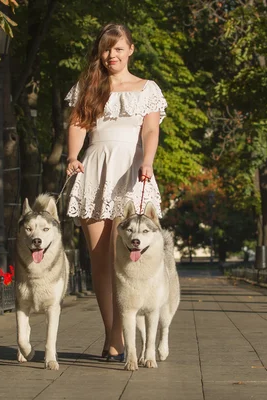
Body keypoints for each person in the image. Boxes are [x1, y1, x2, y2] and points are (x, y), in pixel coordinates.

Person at [65, 23, 167, 361]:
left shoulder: (146, 88)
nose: (112, 55)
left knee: (124, 258)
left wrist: (148, 161)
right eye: (107, 49)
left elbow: (150, 129)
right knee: (100, 261)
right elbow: (78, 124)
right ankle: (113, 333)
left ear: (130, 50)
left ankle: (116, 339)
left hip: (132, 170)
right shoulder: (88, 86)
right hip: (95, 169)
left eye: (119, 48)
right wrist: (72, 157)